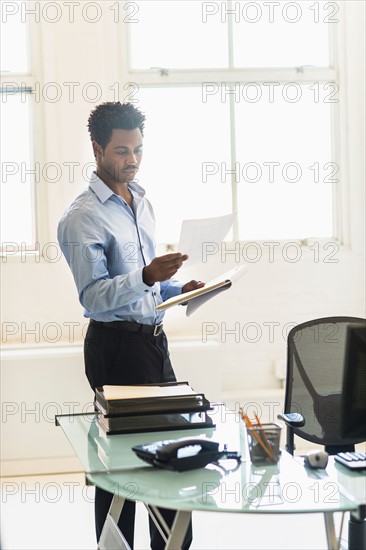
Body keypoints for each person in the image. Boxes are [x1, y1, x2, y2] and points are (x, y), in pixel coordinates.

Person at [57, 101, 204, 549]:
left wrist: (179, 289)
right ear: (98, 149)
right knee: (120, 468)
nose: (133, 160)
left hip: (154, 345)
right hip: (115, 348)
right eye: (122, 151)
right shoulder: (81, 217)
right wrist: (146, 276)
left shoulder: (140, 200)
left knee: (171, 455)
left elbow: (146, 287)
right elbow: (95, 297)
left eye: (138, 149)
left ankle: (173, 545)